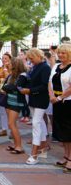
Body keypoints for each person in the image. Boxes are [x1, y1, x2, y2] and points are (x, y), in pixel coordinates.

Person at [20, 48, 51, 165]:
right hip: (33, 98)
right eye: (29, 58)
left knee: (36, 123)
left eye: (32, 57)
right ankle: (43, 149)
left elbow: (44, 85)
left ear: (38, 56)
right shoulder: (35, 67)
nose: (30, 60)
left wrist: (29, 90)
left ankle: (34, 153)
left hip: (41, 99)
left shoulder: (45, 67)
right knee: (40, 123)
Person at [49, 44, 71, 172]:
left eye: (64, 53)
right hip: (57, 103)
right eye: (60, 53)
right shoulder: (56, 66)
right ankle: (66, 155)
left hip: (68, 103)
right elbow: (49, 82)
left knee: (69, 131)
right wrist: (52, 95)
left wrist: (59, 98)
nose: (61, 55)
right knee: (62, 131)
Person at [1, 58, 28, 154]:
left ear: (15, 65)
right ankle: (15, 144)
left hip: (16, 102)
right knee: (11, 124)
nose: (8, 64)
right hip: (9, 101)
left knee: (11, 124)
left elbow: (15, 87)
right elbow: (6, 85)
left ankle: (19, 146)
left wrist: (6, 88)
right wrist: (7, 87)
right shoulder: (11, 75)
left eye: (10, 63)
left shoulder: (22, 76)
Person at [0, 53, 12, 137]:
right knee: (2, 112)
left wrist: (5, 71)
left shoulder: (12, 69)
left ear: (10, 59)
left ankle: (11, 130)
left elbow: (10, 79)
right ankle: (4, 129)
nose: (4, 60)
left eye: (6, 58)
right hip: (1, 91)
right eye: (3, 58)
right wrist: (2, 79)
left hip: (10, 93)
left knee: (10, 112)